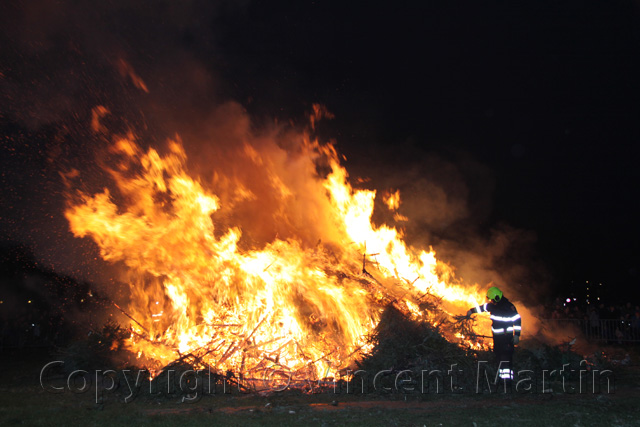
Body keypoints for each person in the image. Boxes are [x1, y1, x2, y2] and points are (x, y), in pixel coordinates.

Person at [466, 286, 521, 382]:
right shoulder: (493, 305)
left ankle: (507, 383)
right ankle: (501, 379)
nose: (491, 301)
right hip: (497, 338)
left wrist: (516, 335)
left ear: (497, 297)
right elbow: (482, 308)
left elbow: (517, 320)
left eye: (492, 299)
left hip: (506, 338)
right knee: (499, 358)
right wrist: (471, 311)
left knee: (505, 359)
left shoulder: (509, 307)